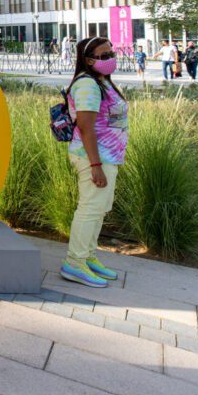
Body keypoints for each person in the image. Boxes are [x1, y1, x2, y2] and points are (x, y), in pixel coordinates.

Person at [61, 36, 129, 288]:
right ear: (88, 60)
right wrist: (95, 166)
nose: (110, 59)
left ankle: (88, 256)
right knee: (89, 209)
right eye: (103, 56)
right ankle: (74, 262)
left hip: (107, 157)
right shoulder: (88, 86)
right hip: (94, 157)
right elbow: (86, 128)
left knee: (98, 209)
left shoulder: (102, 82)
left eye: (111, 53)